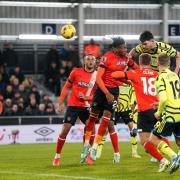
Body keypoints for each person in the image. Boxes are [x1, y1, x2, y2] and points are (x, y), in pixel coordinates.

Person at [81, 37, 139, 164]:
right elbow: (98, 78)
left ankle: (95, 147)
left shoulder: (127, 59)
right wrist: (106, 93)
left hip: (114, 92)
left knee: (106, 120)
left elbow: (137, 69)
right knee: (92, 118)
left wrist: (128, 80)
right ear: (115, 48)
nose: (125, 49)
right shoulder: (107, 57)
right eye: (123, 47)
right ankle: (86, 145)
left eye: (126, 47)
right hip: (102, 90)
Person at [112, 53, 172, 172]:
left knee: (145, 141)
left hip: (145, 111)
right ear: (151, 63)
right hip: (158, 110)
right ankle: (173, 156)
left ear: (139, 63)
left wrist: (126, 78)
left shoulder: (136, 73)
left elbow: (115, 75)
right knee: (158, 137)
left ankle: (163, 160)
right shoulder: (157, 74)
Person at [52, 54, 97, 166]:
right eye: (88, 59)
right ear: (84, 62)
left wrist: (88, 98)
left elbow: (97, 95)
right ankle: (57, 156)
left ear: (95, 62)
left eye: (92, 59)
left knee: (91, 129)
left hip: (86, 106)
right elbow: (67, 86)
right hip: (73, 105)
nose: (90, 61)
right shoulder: (76, 72)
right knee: (65, 130)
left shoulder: (97, 76)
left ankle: (86, 154)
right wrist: (61, 102)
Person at [148, 54, 180, 174]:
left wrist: (159, 112)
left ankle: (174, 157)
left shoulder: (160, 77)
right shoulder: (175, 76)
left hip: (170, 113)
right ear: (169, 63)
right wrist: (159, 103)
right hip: (179, 111)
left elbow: (164, 99)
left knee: (153, 139)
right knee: (178, 142)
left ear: (157, 63)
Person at [96, 84, 141, 159]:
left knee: (133, 129)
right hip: (116, 108)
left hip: (127, 109)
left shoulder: (129, 82)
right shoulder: (116, 82)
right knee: (106, 130)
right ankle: (98, 151)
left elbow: (133, 93)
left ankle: (134, 152)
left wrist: (133, 103)